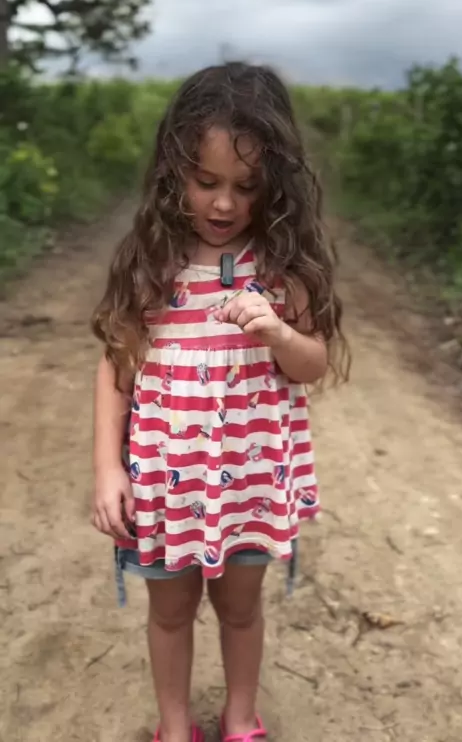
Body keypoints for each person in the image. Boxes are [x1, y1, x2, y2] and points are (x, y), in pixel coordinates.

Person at [91, 61, 349, 742]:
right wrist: (108, 469)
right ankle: (175, 726)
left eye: (246, 186)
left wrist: (279, 332)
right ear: (173, 169)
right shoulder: (151, 263)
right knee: (170, 613)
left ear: (275, 184)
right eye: (206, 182)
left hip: (250, 484)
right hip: (166, 485)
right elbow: (116, 364)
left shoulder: (283, 271)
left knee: (240, 610)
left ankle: (239, 718)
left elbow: (313, 363)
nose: (225, 205)